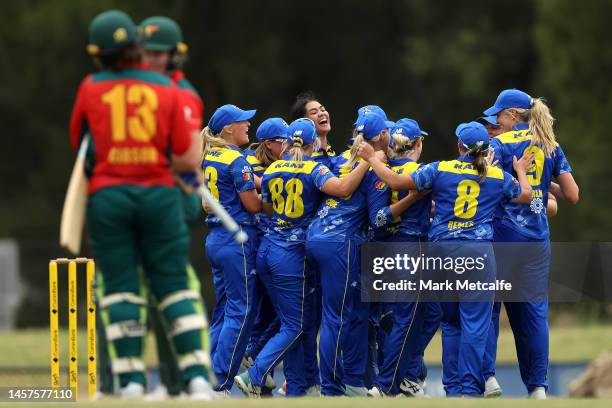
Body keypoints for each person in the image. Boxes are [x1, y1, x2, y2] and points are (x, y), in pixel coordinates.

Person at [70, 10, 207, 399]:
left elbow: (81, 146)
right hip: (159, 196)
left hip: (109, 195)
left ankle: (132, 381)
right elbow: (183, 154)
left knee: (119, 290)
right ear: (135, 47)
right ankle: (195, 377)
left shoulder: (90, 86)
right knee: (174, 287)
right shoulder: (165, 90)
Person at [358, 121, 534, 397]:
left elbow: (394, 181)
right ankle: (468, 390)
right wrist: (521, 171)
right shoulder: (498, 175)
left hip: (442, 252)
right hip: (478, 254)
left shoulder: (439, 169)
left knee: (450, 323)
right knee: (475, 325)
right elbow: (526, 195)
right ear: (486, 149)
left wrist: (370, 159)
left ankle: (452, 388)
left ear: (459, 147)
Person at [234, 118, 371, 397]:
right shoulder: (314, 168)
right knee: (296, 326)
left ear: (286, 142)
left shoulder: (273, 169)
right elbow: (343, 188)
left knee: (298, 322)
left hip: (269, 247)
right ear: (314, 143)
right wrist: (368, 162)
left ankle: (301, 385)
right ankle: (254, 374)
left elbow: (267, 208)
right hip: (291, 254)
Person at [306, 112, 416, 396]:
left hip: (315, 236)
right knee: (337, 318)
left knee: (347, 315)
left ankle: (352, 381)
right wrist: (412, 199)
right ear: (381, 136)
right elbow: (378, 218)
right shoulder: (375, 167)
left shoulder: (341, 157)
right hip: (340, 243)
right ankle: (331, 388)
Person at [482, 89, 579, 399]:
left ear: (512, 115)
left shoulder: (498, 144)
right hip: (537, 241)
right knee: (534, 314)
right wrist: (542, 179)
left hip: (502, 237)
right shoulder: (551, 146)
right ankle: (538, 388)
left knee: (488, 308)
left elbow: (486, 183)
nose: (496, 120)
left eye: (498, 114)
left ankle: (488, 379)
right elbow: (572, 194)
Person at [137, 15, 212, 398]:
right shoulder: (141, 91)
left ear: (173, 55)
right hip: (147, 198)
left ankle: (183, 380)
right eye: (144, 53)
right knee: (150, 291)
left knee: (170, 287)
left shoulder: (181, 93)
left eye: (157, 53)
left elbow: (187, 156)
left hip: (172, 197)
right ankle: (169, 380)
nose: (149, 60)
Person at [365, 118, 440, 397]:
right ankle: (388, 384)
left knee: (430, 312)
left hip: (393, 250)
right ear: (418, 144)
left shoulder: (379, 172)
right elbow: (380, 219)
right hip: (411, 248)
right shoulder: (421, 171)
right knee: (406, 320)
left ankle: (405, 372)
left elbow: (380, 218)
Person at [201, 104, 261, 395]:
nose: (248, 125)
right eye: (243, 122)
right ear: (227, 128)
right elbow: (252, 204)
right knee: (241, 310)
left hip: (214, 238)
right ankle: (220, 381)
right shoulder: (236, 160)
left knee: (223, 311)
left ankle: (208, 374)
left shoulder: (208, 156)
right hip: (235, 238)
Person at [241, 118, 289, 394]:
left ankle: (260, 370)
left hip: (273, 244)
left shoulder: (278, 164)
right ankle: (253, 357)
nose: (286, 145)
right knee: (277, 314)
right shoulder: (250, 162)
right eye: (282, 140)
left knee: (277, 313)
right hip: (261, 243)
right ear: (268, 144)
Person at [291, 91, 335, 167]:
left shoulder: (330, 151)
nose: (321, 113)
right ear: (304, 122)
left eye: (323, 109)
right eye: (314, 112)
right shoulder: (304, 157)